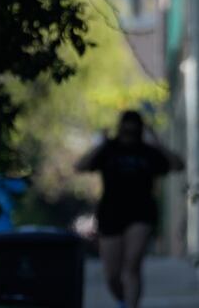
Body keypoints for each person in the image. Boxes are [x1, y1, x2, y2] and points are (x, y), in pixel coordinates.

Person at [75, 110, 184, 308]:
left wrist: (158, 144)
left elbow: (177, 165)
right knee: (112, 274)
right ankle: (123, 301)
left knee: (132, 266)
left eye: (134, 130)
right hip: (111, 213)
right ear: (120, 129)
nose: (129, 134)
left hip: (141, 213)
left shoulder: (148, 152)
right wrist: (101, 144)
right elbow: (80, 166)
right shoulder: (109, 149)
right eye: (126, 130)